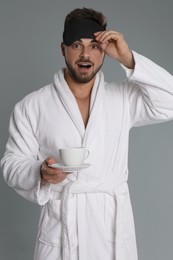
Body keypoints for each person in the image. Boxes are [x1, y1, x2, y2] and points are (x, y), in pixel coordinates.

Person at [1, 7, 173, 260]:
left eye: (94, 45)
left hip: (111, 230)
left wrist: (128, 59)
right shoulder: (32, 106)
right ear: (63, 49)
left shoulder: (122, 98)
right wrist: (40, 173)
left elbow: (169, 101)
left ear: (104, 51)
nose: (85, 54)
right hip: (62, 232)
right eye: (76, 45)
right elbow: (10, 165)